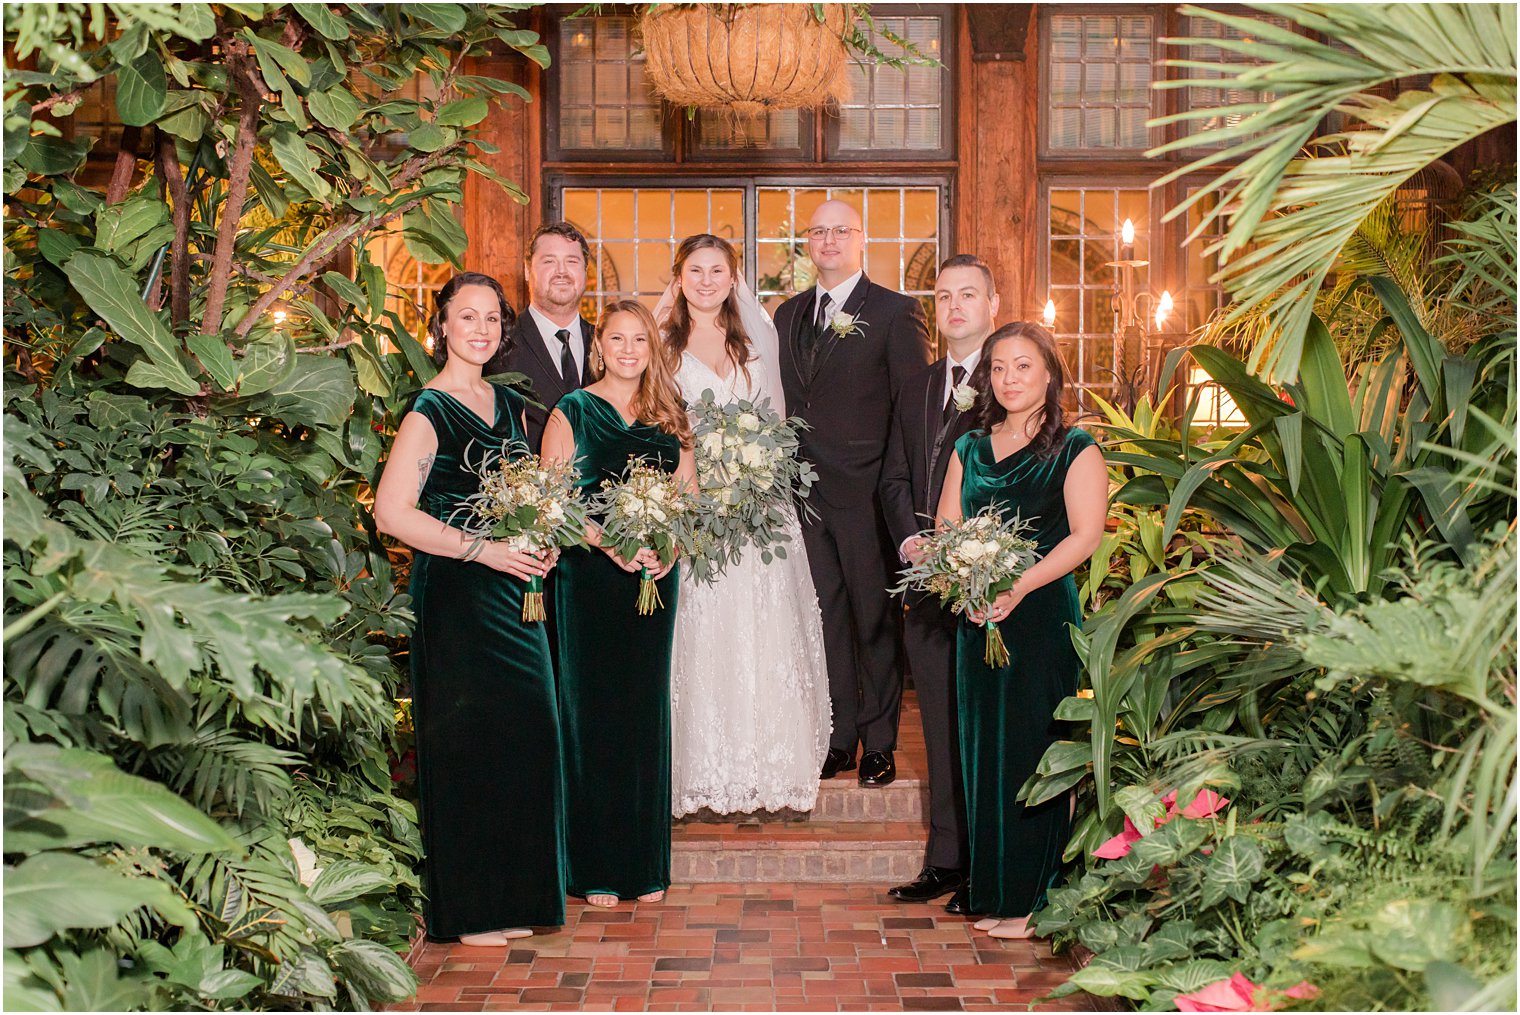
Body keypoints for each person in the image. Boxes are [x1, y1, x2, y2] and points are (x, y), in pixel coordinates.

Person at [374, 273, 564, 945]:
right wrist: (483, 550)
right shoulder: (429, 408)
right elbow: (391, 512)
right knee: (466, 745)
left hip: (516, 593)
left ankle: (515, 895)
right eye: (467, 317)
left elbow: (525, 498)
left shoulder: (505, 405)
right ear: (443, 326)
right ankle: (472, 909)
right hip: (457, 593)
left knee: (529, 733)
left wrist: (541, 542)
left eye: (491, 318)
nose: (481, 329)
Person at [934, 322, 1107, 939]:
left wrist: (1019, 584)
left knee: (1036, 751)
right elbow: (947, 531)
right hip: (976, 615)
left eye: (1023, 367)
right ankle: (997, 891)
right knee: (983, 752)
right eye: (999, 368)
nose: (1009, 379)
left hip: (1038, 617)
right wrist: (970, 585)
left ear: (1049, 374)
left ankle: (1039, 904)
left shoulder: (1076, 446)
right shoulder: (969, 448)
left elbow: (1085, 536)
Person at [656, 234, 831, 817]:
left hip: (759, 505)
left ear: (734, 278)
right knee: (705, 630)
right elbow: (654, 424)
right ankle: (706, 767)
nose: (706, 281)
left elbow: (775, 419)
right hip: (696, 504)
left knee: (762, 626)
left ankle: (766, 767)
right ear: (678, 277)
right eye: (695, 270)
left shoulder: (756, 338)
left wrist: (757, 474)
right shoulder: (661, 341)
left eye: (718, 271)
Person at [541, 299, 696, 909]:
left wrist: (671, 550)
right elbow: (554, 502)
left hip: (652, 580)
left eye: (640, 339)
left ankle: (644, 863)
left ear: (652, 349)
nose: (629, 349)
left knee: (644, 715)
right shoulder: (572, 411)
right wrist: (609, 544)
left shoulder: (670, 415)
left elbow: (688, 499)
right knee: (593, 715)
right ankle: (595, 867)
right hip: (590, 580)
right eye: (617, 339)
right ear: (598, 346)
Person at [774, 199, 932, 787]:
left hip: (868, 497)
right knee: (825, 619)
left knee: (873, 620)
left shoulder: (894, 312)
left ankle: (881, 742)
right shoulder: (786, 315)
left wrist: (898, 495)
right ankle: (838, 738)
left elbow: (911, 412)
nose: (830, 240)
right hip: (802, 497)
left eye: (842, 230)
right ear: (807, 244)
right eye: (819, 232)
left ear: (862, 239)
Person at [880, 255, 999, 914]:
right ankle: (945, 859)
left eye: (968, 295)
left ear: (992, 302)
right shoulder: (919, 384)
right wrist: (910, 539)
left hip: (987, 582)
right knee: (940, 727)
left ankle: (988, 860)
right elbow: (894, 476)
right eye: (945, 295)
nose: (955, 307)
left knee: (986, 725)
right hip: (926, 584)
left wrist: (971, 551)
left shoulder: (1011, 376)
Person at [506, 222, 596, 451]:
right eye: (549, 261)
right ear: (527, 271)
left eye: (572, 261)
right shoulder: (500, 345)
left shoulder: (608, 343)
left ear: (585, 271)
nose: (562, 271)